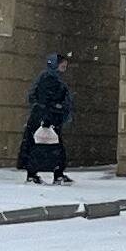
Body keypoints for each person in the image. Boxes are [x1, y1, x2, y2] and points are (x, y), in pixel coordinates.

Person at [18, 49, 74, 185]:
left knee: (38, 146)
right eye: (62, 66)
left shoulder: (47, 78)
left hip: (44, 118)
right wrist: (52, 113)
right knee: (52, 148)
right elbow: (47, 100)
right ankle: (56, 174)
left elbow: (36, 97)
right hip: (47, 119)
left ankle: (36, 174)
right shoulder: (50, 79)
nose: (64, 69)